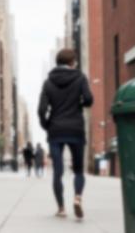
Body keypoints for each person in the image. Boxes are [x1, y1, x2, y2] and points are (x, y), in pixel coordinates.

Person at [37, 48, 94, 218]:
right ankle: (77, 198)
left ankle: (61, 208)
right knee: (78, 170)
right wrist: (79, 104)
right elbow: (89, 99)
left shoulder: (48, 82)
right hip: (75, 128)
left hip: (56, 129)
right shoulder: (80, 77)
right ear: (72, 62)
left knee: (58, 171)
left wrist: (46, 124)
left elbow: (41, 109)